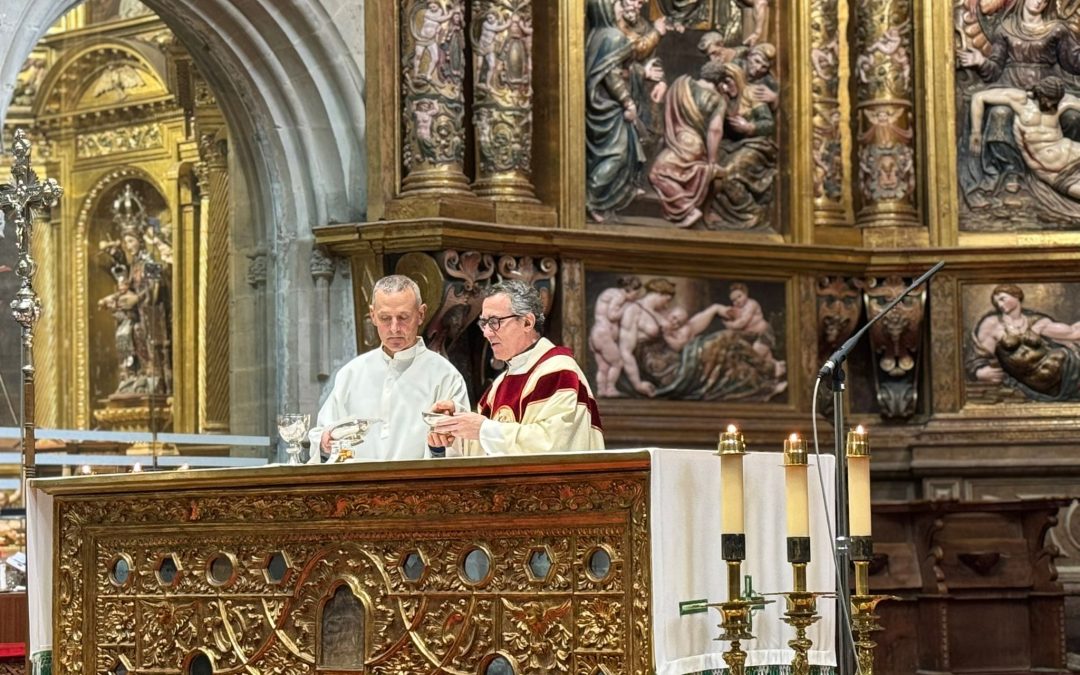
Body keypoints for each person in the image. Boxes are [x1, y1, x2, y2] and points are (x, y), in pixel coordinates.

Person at [427, 280, 604, 455]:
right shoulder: (499, 385)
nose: (487, 333)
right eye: (484, 323)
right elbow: (484, 449)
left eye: (495, 321)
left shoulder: (559, 372)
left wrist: (483, 429)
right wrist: (454, 426)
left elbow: (553, 445)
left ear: (527, 322)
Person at [310, 275, 469, 462]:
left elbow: (459, 451)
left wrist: (439, 448)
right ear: (372, 315)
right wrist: (325, 443)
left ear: (421, 314)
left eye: (403, 317)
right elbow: (323, 439)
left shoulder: (445, 376)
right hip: (359, 488)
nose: (394, 328)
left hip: (419, 488)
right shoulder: (351, 374)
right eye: (385, 318)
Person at [969, 78, 1080, 199]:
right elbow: (978, 97)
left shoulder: (1063, 102)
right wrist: (976, 132)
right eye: (1048, 100)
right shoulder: (1020, 100)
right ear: (1040, 94)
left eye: (1055, 102)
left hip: (1074, 151)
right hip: (1052, 167)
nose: (1051, 105)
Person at [589, 275, 644, 397]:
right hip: (604, 334)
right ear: (629, 289)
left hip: (596, 334)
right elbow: (612, 315)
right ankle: (610, 389)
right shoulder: (619, 296)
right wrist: (626, 307)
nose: (635, 298)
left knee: (603, 366)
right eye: (636, 294)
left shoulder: (610, 293)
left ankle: (601, 391)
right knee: (618, 362)